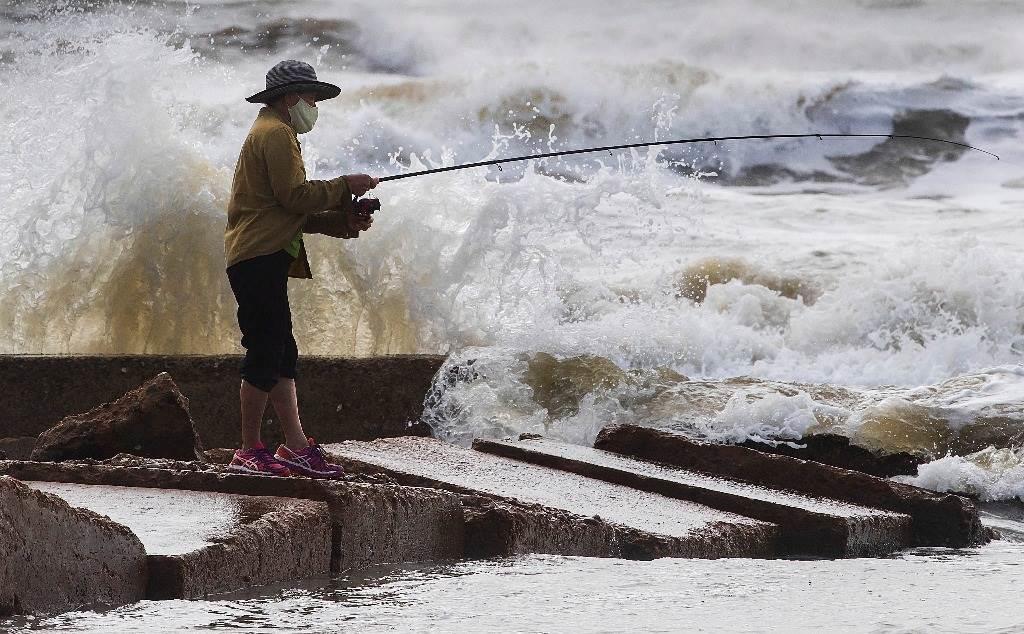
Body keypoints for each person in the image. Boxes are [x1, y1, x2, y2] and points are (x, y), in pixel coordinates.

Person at [224, 60, 378, 478]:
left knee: (282, 352)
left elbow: (287, 212)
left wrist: (342, 221)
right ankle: (248, 450)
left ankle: (293, 446)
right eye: (311, 98)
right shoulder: (275, 133)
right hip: (256, 258)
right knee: (265, 351)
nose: (314, 106)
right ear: (290, 97)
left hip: (263, 255)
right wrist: (346, 185)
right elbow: (294, 197)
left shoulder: (276, 131)